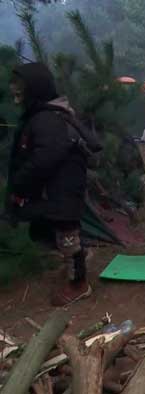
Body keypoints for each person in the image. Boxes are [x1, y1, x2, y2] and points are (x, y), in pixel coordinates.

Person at [5, 63, 92, 306]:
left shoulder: (46, 119)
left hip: (62, 188)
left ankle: (79, 284)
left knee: (68, 235)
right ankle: (75, 266)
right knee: (60, 231)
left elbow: (46, 157)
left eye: (20, 95)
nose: (15, 101)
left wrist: (20, 182)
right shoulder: (46, 115)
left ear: (35, 90)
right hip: (58, 188)